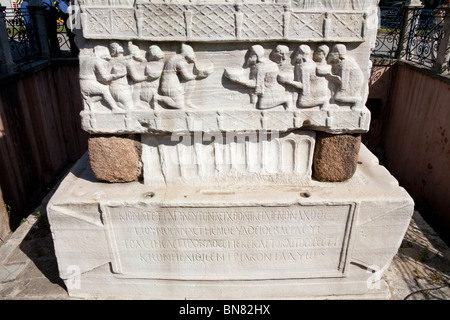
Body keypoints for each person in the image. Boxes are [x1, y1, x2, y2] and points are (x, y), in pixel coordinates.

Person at [158, 44, 212, 109]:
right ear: (187, 54)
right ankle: (158, 98)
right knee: (179, 105)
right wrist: (198, 75)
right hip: (170, 84)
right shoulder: (179, 62)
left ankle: (187, 101)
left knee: (191, 81)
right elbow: (187, 76)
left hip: (170, 82)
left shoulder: (174, 58)